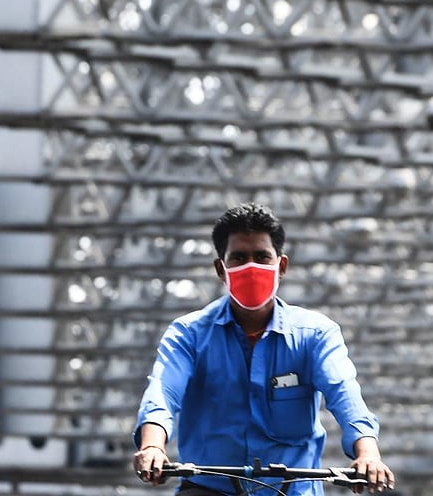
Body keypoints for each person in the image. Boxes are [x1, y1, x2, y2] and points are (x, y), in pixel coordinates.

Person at [132, 203, 395, 495]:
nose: (251, 267)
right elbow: (163, 392)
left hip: (291, 489)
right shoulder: (188, 335)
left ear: (280, 266)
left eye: (261, 257)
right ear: (221, 269)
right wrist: (153, 445)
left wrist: (367, 453)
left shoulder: (316, 335)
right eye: (239, 258)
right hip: (209, 488)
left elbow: (343, 392)